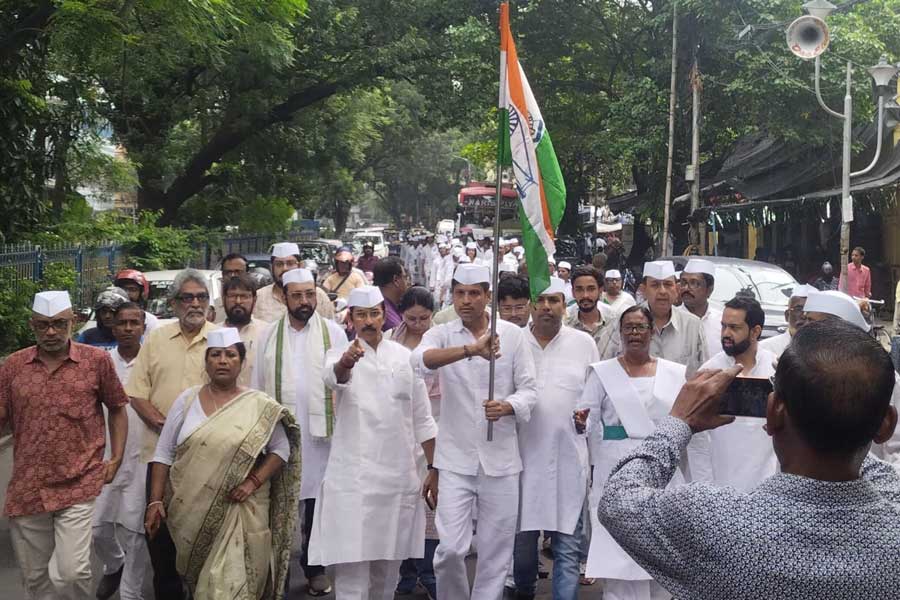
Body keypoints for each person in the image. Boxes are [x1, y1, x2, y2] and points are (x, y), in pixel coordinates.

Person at [598, 319, 900, 599]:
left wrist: (680, 421)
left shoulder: (714, 523)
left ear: (773, 411)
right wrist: (841, 408)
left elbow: (618, 500)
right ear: (886, 424)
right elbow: (852, 447)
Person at [411, 263, 537, 600]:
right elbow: (419, 361)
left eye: (474, 293)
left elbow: (529, 390)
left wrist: (508, 406)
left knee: (496, 552)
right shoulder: (442, 332)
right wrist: (472, 350)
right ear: (452, 296)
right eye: (460, 294)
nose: (466, 300)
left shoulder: (512, 336)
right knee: (451, 548)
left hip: (501, 460)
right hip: (454, 461)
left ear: (487, 296)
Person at [145, 328, 301, 599]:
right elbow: (163, 452)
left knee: (231, 586)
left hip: (242, 511)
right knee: (203, 585)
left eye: (230, 355)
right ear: (206, 362)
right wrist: (155, 501)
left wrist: (252, 482)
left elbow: (281, 449)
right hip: (189, 513)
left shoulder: (259, 405)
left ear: (241, 362)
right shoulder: (187, 400)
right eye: (215, 355)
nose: (222, 360)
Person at [309, 287, 438, 599]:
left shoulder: (405, 358)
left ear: (384, 315)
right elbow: (334, 377)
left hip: (396, 481)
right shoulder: (339, 354)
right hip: (353, 484)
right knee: (352, 576)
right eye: (361, 314)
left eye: (374, 313)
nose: (368, 320)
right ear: (351, 318)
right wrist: (347, 362)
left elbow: (424, 420)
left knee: (387, 576)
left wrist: (435, 469)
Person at [1, 291, 129, 600]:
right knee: (35, 579)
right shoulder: (13, 366)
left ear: (72, 322)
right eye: (42, 325)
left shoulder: (96, 361)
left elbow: (118, 407)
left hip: (79, 481)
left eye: (59, 324)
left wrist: (116, 457)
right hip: (28, 487)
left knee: (71, 573)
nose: (51, 332)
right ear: (32, 325)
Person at [575, 305, 688, 600]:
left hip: (661, 469)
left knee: (661, 557)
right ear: (620, 332)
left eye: (640, 327)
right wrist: (579, 422)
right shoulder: (603, 373)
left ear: (651, 331)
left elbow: (686, 419)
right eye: (628, 327)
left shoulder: (674, 373)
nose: (634, 333)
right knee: (620, 558)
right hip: (616, 467)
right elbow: (586, 418)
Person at [251, 267, 349, 597]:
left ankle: (314, 568)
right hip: (282, 436)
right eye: (297, 295)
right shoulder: (268, 336)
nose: (305, 301)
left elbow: (346, 384)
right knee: (280, 507)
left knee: (317, 507)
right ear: (285, 297)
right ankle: (274, 573)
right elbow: (257, 386)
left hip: (323, 437)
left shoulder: (333, 333)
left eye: (310, 294)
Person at [126, 268, 218, 598]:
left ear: (209, 302)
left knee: (205, 537)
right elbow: (136, 393)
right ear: (174, 302)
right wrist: (166, 428)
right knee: (160, 539)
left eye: (201, 297)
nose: (195, 304)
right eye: (187, 297)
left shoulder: (222, 340)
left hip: (208, 457)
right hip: (159, 458)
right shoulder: (156, 339)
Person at [515, 278, 598, 600]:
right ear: (532, 305)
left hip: (568, 459)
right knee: (522, 546)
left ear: (566, 306)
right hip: (522, 459)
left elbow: (593, 398)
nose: (547, 307)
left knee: (567, 545)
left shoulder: (583, 343)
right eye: (541, 300)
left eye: (555, 301)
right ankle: (524, 591)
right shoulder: (514, 342)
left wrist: (585, 420)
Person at [93, 302, 151, 600]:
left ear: (143, 326)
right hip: (106, 456)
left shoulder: (152, 361)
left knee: (135, 531)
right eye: (122, 323)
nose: (128, 328)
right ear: (113, 327)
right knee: (97, 527)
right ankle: (114, 563)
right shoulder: (101, 362)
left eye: (134, 323)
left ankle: (131, 592)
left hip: (142, 457)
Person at [696, 296, 777, 491]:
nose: (726, 333)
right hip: (719, 486)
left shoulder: (776, 370)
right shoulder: (710, 372)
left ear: (755, 331)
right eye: (723, 326)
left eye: (734, 328)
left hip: (767, 485)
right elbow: (697, 438)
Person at [390, 287, 441, 598]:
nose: (418, 324)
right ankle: (405, 572)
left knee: (432, 506)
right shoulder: (388, 342)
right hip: (398, 433)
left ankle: (430, 573)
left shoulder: (441, 342)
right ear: (401, 314)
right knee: (404, 506)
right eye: (412, 318)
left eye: (424, 318)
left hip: (437, 431)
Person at [602, 261, 708, 376]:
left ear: (677, 289)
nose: (662, 291)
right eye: (655, 285)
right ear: (643, 290)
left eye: (668, 285)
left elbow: (703, 373)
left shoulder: (692, 325)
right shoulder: (622, 322)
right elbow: (603, 365)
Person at [222, 272, 267, 386]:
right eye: (232, 296)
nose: (238, 301)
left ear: (254, 299)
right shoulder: (213, 332)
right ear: (224, 299)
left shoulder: (267, 332)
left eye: (244, 296)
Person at [565, 265, 616, 356]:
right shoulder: (564, 321)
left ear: (600, 291)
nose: (585, 295)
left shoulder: (614, 319)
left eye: (591, 289)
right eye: (579, 290)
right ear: (573, 292)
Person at [677, 259, 722, 355]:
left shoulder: (722, 322)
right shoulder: (672, 320)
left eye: (694, 283)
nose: (686, 288)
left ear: (709, 289)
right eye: (683, 282)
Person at [254, 242, 302, 323]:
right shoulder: (258, 298)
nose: (285, 268)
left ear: (299, 266)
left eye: (290, 263)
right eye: (279, 264)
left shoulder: (317, 296)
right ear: (272, 267)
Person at [758, 284, 812, 358]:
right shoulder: (765, 348)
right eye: (798, 309)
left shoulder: (826, 349)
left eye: (810, 310)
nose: (804, 315)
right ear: (787, 315)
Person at [373, 256, 410, 332]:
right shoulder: (387, 316)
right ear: (396, 280)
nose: (408, 283)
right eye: (405, 277)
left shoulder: (379, 302)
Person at [212, 252, 249, 323]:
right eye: (228, 272)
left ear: (247, 274)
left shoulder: (259, 304)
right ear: (222, 275)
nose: (233, 276)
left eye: (238, 272)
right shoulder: (214, 307)